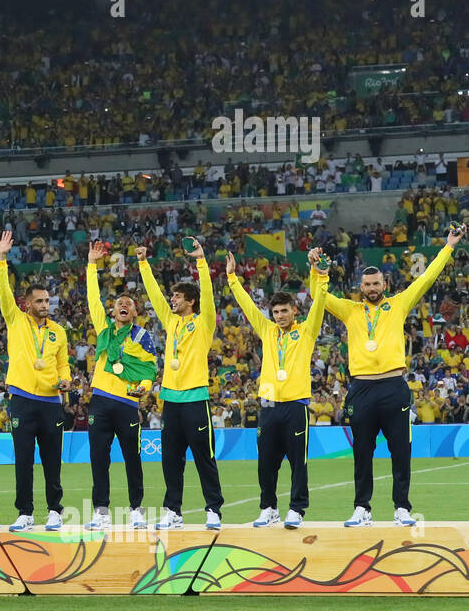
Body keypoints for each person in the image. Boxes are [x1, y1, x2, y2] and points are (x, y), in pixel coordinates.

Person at [312, 224, 463, 526]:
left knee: (400, 449)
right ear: (360, 286)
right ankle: (362, 508)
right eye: (367, 284)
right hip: (362, 388)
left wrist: (448, 246)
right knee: (362, 453)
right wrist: (317, 271)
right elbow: (320, 299)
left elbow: (426, 278)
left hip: (394, 386)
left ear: (384, 283)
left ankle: (402, 507)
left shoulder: (398, 304)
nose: (371, 288)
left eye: (376, 283)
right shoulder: (349, 309)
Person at [227, 249, 328, 529]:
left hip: (296, 404)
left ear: (294, 311)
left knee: (298, 462)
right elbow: (248, 306)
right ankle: (268, 507)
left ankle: (296, 509)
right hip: (269, 405)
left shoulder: (306, 331)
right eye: (276, 312)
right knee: (266, 463)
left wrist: (321, 275)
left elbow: (319, 302)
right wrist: (232, 278)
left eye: (285, 311)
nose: (280, 315)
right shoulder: (267, 330)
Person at [138, 240, 223, 530]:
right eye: (172, 295)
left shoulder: (204, 323)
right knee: (171, 461)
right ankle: (173, 511)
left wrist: (201, 261)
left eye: (177, 296)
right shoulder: (170, 322)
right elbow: (153, 295)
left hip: (196, 399)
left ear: (190, 300)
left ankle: (213, 509)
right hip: (170, 401)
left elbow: (209, 297)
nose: (171, 299)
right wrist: (143, 264)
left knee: (204, 458)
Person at [0, 231, 72, 532]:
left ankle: (55, 510)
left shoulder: (58, 332)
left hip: (52, 403)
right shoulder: (15, 320)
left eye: (47, 300)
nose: (45, 304)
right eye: (39, 300)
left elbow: (63, 363)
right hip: (23, 401)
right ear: (26, 304)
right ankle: (25, 512)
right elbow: (3, 292)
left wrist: (65, 380)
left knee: (53, 461)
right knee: (23, 460)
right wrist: (2, 258)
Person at [84, 242, 157, 530]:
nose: (123, 306)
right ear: (112, 312)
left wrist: (145, 387)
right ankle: (101, 511)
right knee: (98, 458)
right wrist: (91, 266)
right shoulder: (105, 332)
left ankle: (136, 509)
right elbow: (92, 299)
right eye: (118, 304)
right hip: (100, 401)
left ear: (135, 312)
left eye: (128, 304)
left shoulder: (142, 336)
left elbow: (149, 367)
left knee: (132, 459)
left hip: (128, 402)